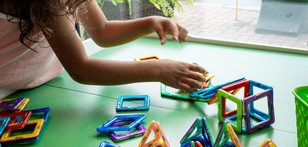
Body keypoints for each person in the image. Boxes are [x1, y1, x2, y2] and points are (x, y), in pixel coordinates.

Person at [0, 0, 206, 91]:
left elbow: (103, 31)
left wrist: (149, 23)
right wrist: (159, 69)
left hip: (38, 87)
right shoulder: (46, 3)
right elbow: (81, 70)